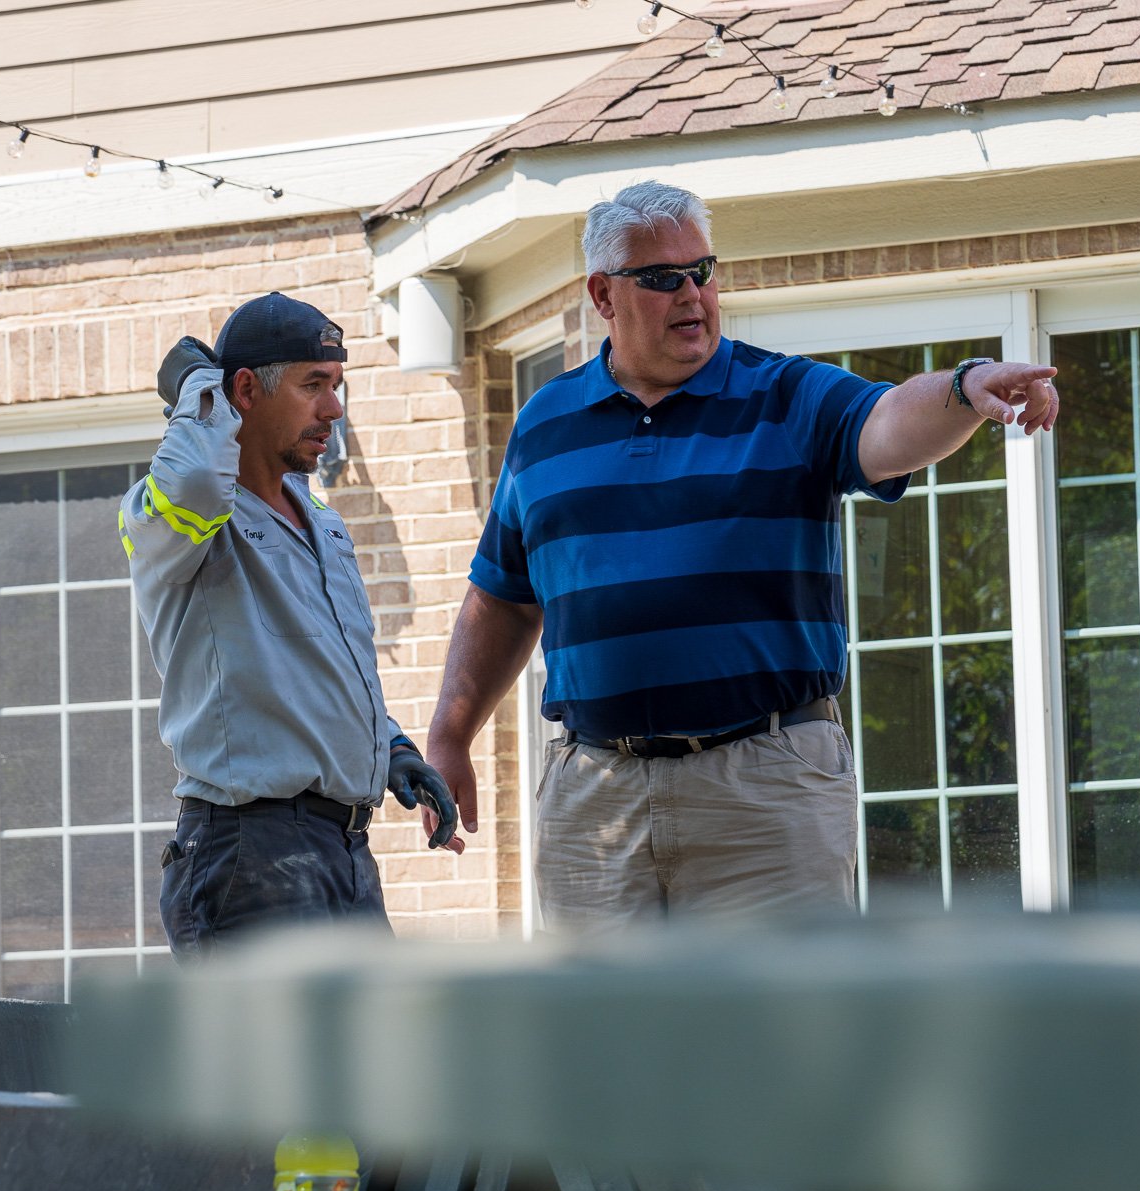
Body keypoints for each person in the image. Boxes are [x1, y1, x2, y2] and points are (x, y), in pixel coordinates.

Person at [423, 182, 1059, 929]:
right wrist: (450, 734)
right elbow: (501, 596)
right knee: (599, 1044)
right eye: (663, 279)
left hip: (765, 785)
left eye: (704, 271)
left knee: (784, 1042)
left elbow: (887, 425)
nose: (692, 293)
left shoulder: (786, 395)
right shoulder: (544, 423)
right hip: (594, 795)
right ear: (603, 294)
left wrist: (963, 387)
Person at [121, 291, 458, 959]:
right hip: (249, 855)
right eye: (313, 385)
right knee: (278, 1070)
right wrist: (199, 388)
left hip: (341, 853)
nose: (334, 407)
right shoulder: (180, 521)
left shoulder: (323, 521)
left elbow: (328, 666)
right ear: (245, 389)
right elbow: (192, 481)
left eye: (337, 386)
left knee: (382, 1065)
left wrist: (389, 749)